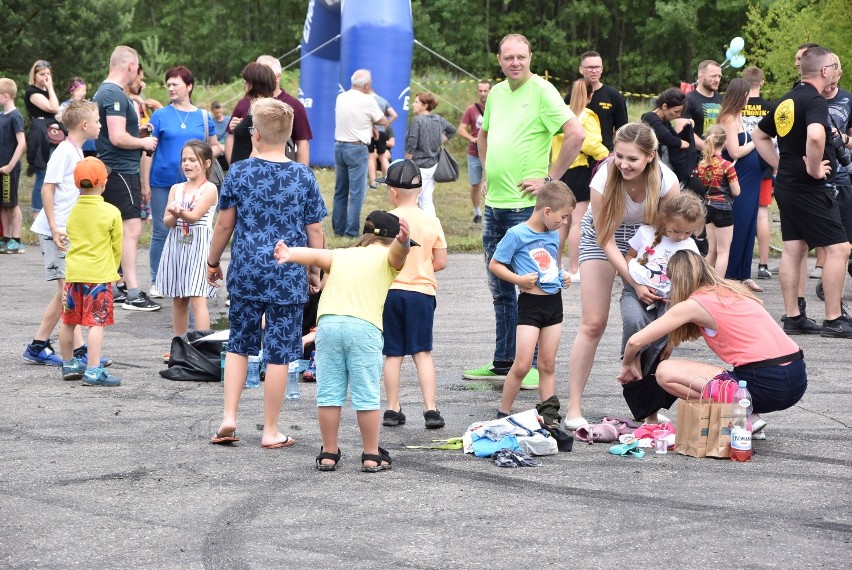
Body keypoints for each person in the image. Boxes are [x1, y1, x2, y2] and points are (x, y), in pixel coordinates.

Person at [462, 33, 584, 387]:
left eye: (521, 57)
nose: (515, 62)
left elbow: (574, 133)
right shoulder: (497, 93)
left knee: (532, 287)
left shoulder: (543, 91)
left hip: (526, 210)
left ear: (531, 56)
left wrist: (549, 179)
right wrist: (487, 171)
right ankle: (504, 360)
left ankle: (527, 364)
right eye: (508, 57)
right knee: (499, 284)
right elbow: (483, 136)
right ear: (499, 59)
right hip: (495, 205)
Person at [206, 98, 326, 449]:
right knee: (278, 352)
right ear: (288, 136)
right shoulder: (303, 176)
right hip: (287, 274)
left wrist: (213, 263)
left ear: (255, 135)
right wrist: (315, 269)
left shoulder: (239, 172)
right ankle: (270, 429)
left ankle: (229, 416)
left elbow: (224, 225)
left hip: (245, 272)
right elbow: (315, 231)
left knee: (239, 345)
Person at [273, 210, 411, 472]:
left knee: (329, 394)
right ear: (390, 239)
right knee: (366, 393)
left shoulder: (342, 253)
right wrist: (403, 243)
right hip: (364, 327)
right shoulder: (388, 256)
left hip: (328, 326)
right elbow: (398, 254)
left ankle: (328, 453)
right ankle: (371, 455)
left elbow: (314, 255)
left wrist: (289, 253)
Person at [565, 122, 680, 429]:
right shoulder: (604, 177)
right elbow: (605, 239)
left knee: (654, 325)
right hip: (603, 236)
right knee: (593, 323)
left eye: (632, 159)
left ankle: (650, 411)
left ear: (650, 157)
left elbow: (669, 234)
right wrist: (634, 281)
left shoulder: (667, 182)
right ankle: (573, 408)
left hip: (648, 239)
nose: (624, 164)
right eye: (619, 156)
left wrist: (652, 278)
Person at [620, 250, 806, 434]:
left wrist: (628, 363)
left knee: (665, 372)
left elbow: (635, 342)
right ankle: (747, 412)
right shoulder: (734, 290)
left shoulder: (694, 304)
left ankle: (740, 412)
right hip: (797, 379)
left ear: (676, 280)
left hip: (765, 384)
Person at [753, 46, 852, 338]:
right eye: (835, 66)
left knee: (794, 249)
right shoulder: (816, 101)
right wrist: (812, 168)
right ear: (825, 71)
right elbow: (816, 134)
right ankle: (834, 319)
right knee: (838, 249)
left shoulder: (786, 100)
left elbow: (760, 134)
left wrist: (780, 163)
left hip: (785, 185)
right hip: (809, 187)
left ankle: (794, 317)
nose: (837, 70)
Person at [23, 100, 113, 369]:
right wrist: (53, 227)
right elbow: (46, 189)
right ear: (85, 125)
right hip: (55, 232)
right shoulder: (64, 151)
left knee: (65, 291)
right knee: (67, 292)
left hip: (66, 231)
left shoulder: (77, 151)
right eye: (97, 121)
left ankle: (40, 345)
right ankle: (70, 350)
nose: (100, 125)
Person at [490, 181, 575, 423]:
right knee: (522, 365)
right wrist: (518, 279)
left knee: (547, 365)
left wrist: (562, 277)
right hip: (530, 306)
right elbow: (495, 264)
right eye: (563, 217)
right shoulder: (516, 234)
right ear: (547, 211)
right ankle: (503, 413)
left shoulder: (553, 234)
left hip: (554, 306)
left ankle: (549, 416)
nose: (565, 222)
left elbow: (551, 265)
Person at [379, 159, 448, 430]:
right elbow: (440, 261)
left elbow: (377, 258)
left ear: (393, 192)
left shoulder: (383, 220)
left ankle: (392, 408)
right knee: (422, 352)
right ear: (419, 190)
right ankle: (430, 409)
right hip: (421, 294)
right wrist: (420, 265)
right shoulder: (431, 221)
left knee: (393, 353)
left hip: (391, 293)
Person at [142, 66, 223, 297]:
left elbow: (216, 146)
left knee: (194, 230)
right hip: (163, 181)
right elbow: (149, 150)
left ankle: (190, 278)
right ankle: (158, 280)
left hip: (196, 186)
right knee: (161, 230)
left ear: (189, 86)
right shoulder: (159, 116)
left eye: (175, 84)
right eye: (168, 84)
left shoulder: (204, 117)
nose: (170, 88)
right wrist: (145, 182)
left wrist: (203, 157)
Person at [92, 46, 159, 311]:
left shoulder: (107, 92)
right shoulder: (114, 94)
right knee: (132, 229)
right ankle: (132, 292)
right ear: (130, 64)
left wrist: (137, 129)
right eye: (138, 65)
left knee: (119, 230)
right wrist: (144, 141)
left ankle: (116, 287)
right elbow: (118, 137)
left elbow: (115, 132)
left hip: (115, 169)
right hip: (121, 170)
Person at [58, 157, 123, 387]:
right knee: (97, 323)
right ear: (104, 183)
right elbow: (116, 246)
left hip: (74, 275)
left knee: (69, 321)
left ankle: (68, 364)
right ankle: (94, 370)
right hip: (98, 277)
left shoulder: (73, 211)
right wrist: (113, 270)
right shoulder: (111, 212)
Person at [155, 140, 218, 339]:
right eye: (184, 160)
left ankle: (202, 346)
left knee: (198, 298)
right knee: (179, 298)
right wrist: (174, 214)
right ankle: (179, 344)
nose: (187, 164)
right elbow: (167, 221)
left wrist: (179, 211)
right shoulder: (176, 188)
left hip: (199, 245)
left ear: (207, 163)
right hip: (177, 244)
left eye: (192, 160)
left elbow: (194, 216)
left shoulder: (209, 189)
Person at [554, 78, 610, 280]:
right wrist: (607, 156)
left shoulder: (561, 115)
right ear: (590, 95)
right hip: (579, 170)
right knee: (577, 221)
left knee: (560, 222)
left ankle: (556, 265)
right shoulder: (587, 116)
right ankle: (575, 269)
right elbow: (590, 143)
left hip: (560, 170)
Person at [717, 78, 764, 292]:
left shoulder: (740, 117)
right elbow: (734, 151)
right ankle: (732, 273)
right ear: (740, 96)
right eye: (747, 95)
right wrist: (756, 141)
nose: (749, 99)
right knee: (740, 222)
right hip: (740, 176)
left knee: (750, 223)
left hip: (752, 178)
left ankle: (744, 273)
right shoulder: (728, 118)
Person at [332, 69, 388, 237]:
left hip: (339, 146)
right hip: (357, 148)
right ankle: (351, 232)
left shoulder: (341, 97)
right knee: (356, 193)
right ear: (367, 85)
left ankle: (339, 230)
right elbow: (384, 121)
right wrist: (372, 124)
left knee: (340, 191)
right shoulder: (368, 100)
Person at [625, 191, 704, 307]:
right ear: (665, 219)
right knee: (633, 318)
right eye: (676, 231)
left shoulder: (690, 245)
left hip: (672, 299)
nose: (682, 237)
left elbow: (696, 275)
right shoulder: (646, 232)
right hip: (640, 291)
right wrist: (637, 285)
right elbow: (629, 256)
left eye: (688, 232)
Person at [740, 66, 775, 280]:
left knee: (740, 213)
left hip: (740, 163)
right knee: (762, 214)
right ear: (762, 82)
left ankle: (740, 260)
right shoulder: (771, 107)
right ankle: (762, 265)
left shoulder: (737, 106)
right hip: (764, 163)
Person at [253, 54, 313, 165]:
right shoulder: (247, 103)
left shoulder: (295, 105)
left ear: (277, 77)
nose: (259, 77)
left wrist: (302, 174)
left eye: (265, 73)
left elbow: (302, 142)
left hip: (282, 171)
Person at [698, 125, 741, 276]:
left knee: (712, 249)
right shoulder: (727, 165)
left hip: (707, 207)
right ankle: (718, 286)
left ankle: (705, 281)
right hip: (722, 207)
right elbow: (736, 191)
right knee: (723, 251)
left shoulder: (702, 164)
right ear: (724, 143)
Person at [404, 91, 456, 216]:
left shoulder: (418, 120)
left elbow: (412, 144)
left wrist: (406, 163)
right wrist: (441, 139)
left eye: (416, 102)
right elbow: (452, 130)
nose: (413, 104)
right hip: (433, 164)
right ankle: (432, 229)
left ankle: (413, 228)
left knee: (411, 199)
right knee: (426, 199)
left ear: (425, 106)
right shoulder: (438, 119)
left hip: (418, 166)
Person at [24, 60, 59, 213]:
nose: (45, 77)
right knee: (43, 174)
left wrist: (50, 89)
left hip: (52, 136)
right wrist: (50, 87)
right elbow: (54, 108)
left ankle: (49, 209)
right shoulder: (32, 92)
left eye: (48, 74)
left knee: (53, 174)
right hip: (40, 137)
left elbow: (56, 111)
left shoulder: (47, 92)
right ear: (35, 75)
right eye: (42, 74)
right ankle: (37, 210)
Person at [641, 88, 696, 187]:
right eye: (676, 111)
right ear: (664, 106)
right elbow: (669, 139)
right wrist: (687, 144)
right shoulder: (649, 117)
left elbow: (674, 137)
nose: (678, 115)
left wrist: (686, 127)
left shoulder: (664, 121)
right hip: (651, 169)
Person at [225, 62, 277, 166]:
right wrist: (240, 126)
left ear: (252, 85)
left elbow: (257, 151)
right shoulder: (266, 109)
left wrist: (243, 174)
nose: (244, 85)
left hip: (247, 176)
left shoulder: (260, 111)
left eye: (245, 81)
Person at [577, 51, 628, 151]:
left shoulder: (614, 96)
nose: (594, 71)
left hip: (603, 155)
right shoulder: (573, 96)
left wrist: (611, 150)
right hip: (577, 156)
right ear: (581, 70)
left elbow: (622, 129)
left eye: (597, 67)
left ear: (602, 69)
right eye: (590, 67)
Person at [0, 77, 26, 255]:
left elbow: (22, 143)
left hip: (10, 168)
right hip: (1, 167)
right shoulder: (1, 116)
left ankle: (16, 240)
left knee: (12, 204)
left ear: (6, 96)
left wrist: (10, 165)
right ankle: (6, 239)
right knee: (3, 204)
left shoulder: (15, 116)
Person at [458, 81, 491, 223]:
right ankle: (477, 212)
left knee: (493, 183)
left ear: (490, 91)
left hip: (493, 152)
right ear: (477, 92)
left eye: (485, 91)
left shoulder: (496, 107)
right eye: (480, 91)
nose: (483, 93)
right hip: (474, 153)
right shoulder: (471, 109)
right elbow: (461, 129)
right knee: (476, 184)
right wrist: (472, 139)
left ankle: (491, 211)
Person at [684, 60, 723, 151]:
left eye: (719, 76)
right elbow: (685, 132)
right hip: (696, 158)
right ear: (700, 77)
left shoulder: (722, 99)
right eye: (713, 76)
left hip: (720, 156)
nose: (717, 80)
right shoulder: (688, 100)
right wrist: (709, 149)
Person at [55, 77, 97, 158]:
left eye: (84, 90)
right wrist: (74, 104)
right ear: (72, 91)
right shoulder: (65, 105)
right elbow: (59, 117)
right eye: (79, 90)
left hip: (91, 145)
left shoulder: (88, 104)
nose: (83, 93)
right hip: (75, 144)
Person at [367, 86, 397, 188]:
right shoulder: (383, 101)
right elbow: (394, 115)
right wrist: (386, 125)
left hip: (370, 132)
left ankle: (373, 183)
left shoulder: (366, 100)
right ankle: (390, 182)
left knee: (371, 158)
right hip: (382, 132)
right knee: (383, 157)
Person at [210, 101, 230, 172]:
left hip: (228, 143)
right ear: (212, 111)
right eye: (216, 113)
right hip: (218, 145)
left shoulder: (229, 120)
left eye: (220, 112)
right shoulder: (211, 122)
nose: (218, 114)